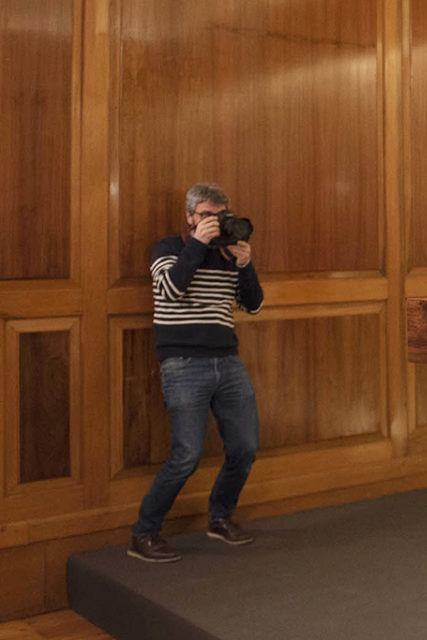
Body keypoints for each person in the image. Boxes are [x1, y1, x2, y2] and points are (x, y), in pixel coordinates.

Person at [129, 182, 264, 563]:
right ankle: (143, 533)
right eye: (206, 215)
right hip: (184, 363)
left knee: (245, 447)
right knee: (186, 455)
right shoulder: (169, 248)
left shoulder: (228, 251)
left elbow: (252, 305)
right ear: (189, 217)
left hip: (228, 361)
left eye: (220, 216)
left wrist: (245, 264)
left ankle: (220, 518)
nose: (213, 222)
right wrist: (198, 245)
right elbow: (170, 291)